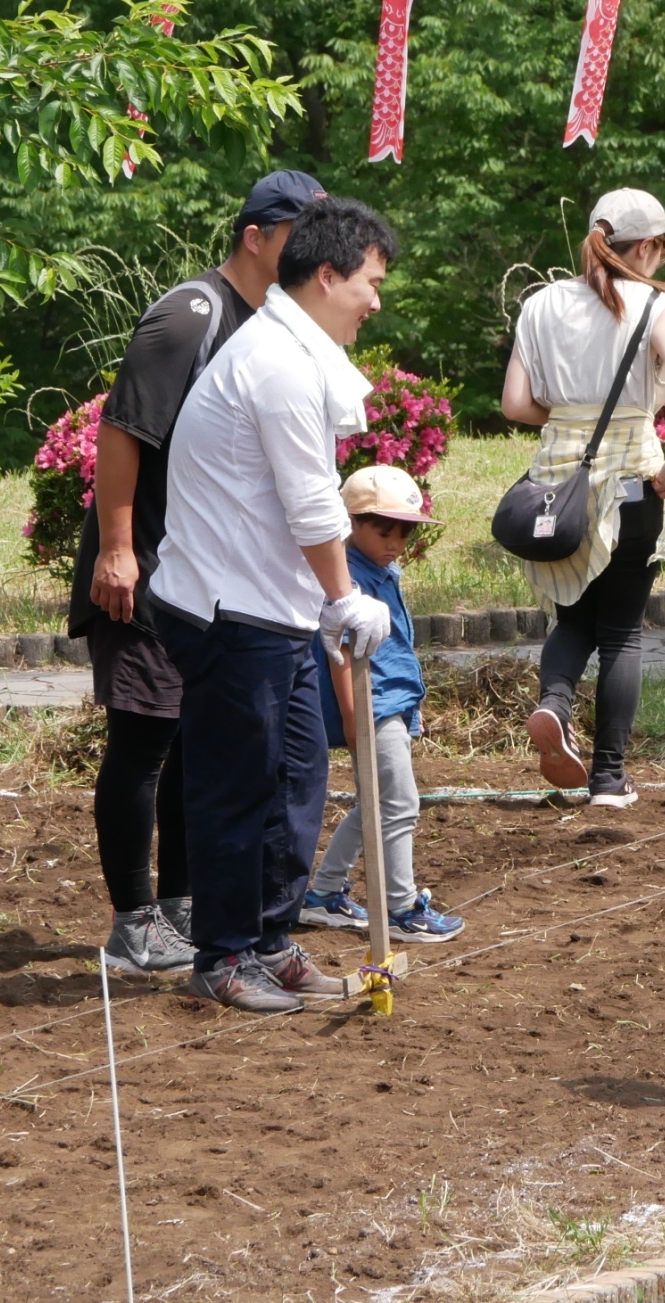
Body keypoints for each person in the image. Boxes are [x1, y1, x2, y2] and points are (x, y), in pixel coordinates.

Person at [75, 169, 327, 978]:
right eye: (303, 236)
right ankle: (133, 919)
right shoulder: (191, 315)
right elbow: (123, 432)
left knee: (198, 740)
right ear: (257, 236)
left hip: (208, 579)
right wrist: (119, 548)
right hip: (145, 567)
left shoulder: (272, 326)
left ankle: (182, 901)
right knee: (145, 737)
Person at [152, 197, 398, 1013]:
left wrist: (326, 605)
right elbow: (311, 504)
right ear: (327, 276)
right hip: (227, 609)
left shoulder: (296, 350)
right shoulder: (279, 363)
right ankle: (221, 955)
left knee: (296, 777)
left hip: (276, 609)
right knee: (239, 783)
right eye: (369, 281)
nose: (374, 300)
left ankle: (268, 934)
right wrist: (347, 595)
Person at [503, 189, 665, 809]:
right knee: (620, 633)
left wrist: (571, 417)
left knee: (573, 620)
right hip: (633, 479)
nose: (660, 263)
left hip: (557, 482)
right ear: (643, 247)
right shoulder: (653, 305)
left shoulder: (539, 304)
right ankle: (609, 779)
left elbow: (513, 405)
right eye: (660, 250)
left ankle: (555, 705)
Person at [298, 466, 465, 944]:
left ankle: (324, 894)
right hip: (374, 707)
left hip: (393, 701)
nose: (395, 542)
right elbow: (340, 655)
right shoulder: (349, 580)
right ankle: (400, 907)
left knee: (376, 801)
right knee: (401, 804)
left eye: (404, 533)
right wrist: (355, 718)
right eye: (383, 530)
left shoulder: (382, 572)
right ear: (350, 523)